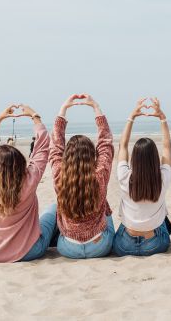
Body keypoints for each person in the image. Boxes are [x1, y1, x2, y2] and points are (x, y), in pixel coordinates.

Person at [0, 104, 53, 263]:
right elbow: (43, 146)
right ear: (21, 163)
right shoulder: (29, 180)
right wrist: (34, 117)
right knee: (54, 211)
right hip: (30, 251)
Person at [51, 93, 115, 259]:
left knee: (53, 208)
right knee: (105, 207)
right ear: (91, 156)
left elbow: (56, 147)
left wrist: (63, 110)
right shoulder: (99, 175)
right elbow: (105, 144)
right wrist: (96, 108)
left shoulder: (60, 176)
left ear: (67, 157)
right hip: (100, 246)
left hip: (67, 247)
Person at [113, 97, 171, 256]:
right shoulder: (163, 178)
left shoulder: (124, 176)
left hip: (123, 246)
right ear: (155, 159)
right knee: (163, 221)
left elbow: (123, 145)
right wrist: (162, 118)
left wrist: (131, 117)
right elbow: (167, 146)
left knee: (124, 223)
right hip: (154, 245)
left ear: (134, 158)